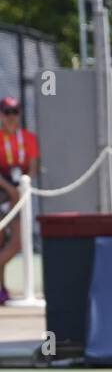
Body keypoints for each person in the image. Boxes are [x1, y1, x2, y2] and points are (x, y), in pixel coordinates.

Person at [0, 96, 39, 305]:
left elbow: (32, 169)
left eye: (15, 112)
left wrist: (21, 190)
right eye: (7, 112)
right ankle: (1, 289)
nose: (11, 117)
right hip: (3, 193)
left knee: (17, 242)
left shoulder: (28, 139)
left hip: (19, 193)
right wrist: (10, 191)